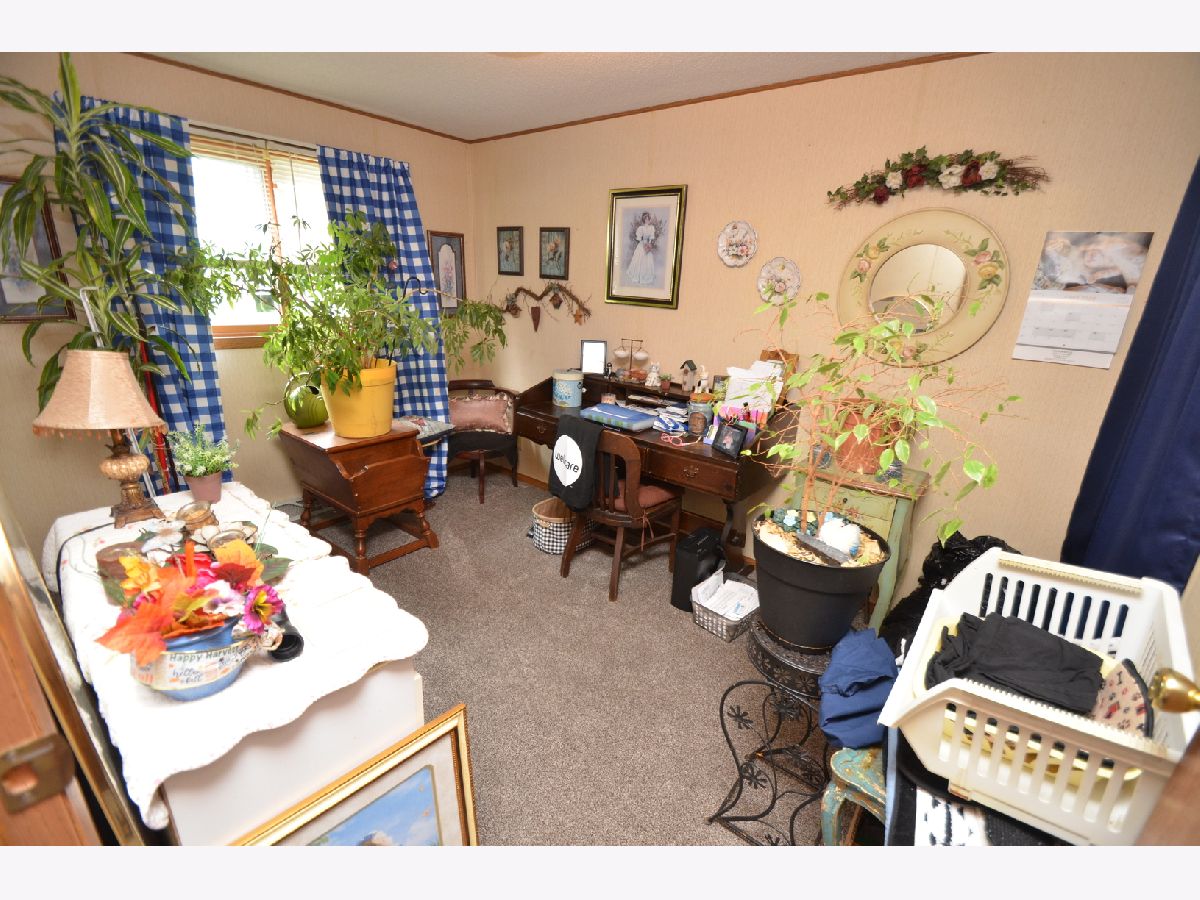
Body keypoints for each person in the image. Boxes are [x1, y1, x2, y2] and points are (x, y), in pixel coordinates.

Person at [626, 212, 657, 286]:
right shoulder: (641, 228)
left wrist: (649, 244)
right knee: (640, 257)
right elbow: (639, 238)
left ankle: (647, 276)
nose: (647, 220)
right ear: (644, 220)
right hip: (642, 244)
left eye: (648, 219)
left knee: (648, 259)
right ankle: (638, 275)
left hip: (647, 244)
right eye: (646, 219)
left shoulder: (651, 228)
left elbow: (651, 237)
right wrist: (644, 244)